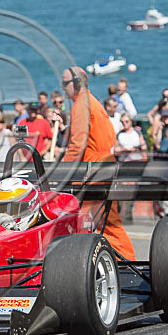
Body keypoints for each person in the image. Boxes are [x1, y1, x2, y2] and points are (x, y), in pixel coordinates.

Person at [49, 66, 136, 260]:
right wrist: (66, 127)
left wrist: (60, 172)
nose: (62, 88)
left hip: (93, 168)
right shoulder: (90, 102)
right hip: (102, 164)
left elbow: (77, 145)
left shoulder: (80, 104)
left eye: (65, 83)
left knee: (86, 221)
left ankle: (89, 265)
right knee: (108, 220)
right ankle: (125, 260)